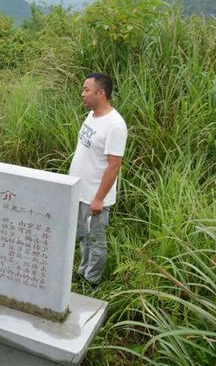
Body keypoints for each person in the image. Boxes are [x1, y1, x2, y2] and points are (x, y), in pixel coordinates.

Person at [69, 72, 128, 286]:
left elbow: (114, 166)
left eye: (86, 90)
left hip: (95, 195)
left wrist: (99, 199)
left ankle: (92, 281)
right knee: (83, 235)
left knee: (96, 240)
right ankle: (83, 270)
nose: (82, 94)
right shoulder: (92, 116)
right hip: (80, 191)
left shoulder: (115, 125)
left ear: (101, 93)